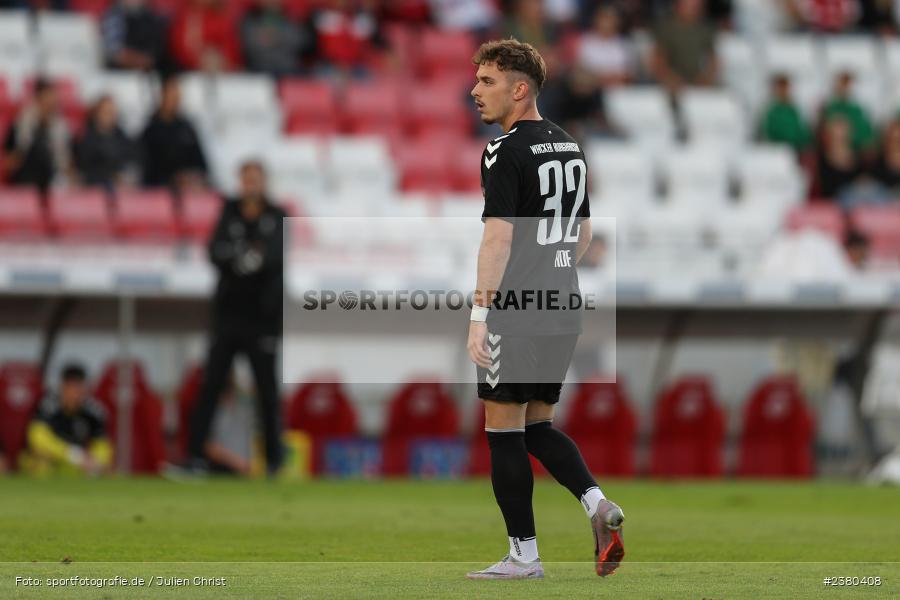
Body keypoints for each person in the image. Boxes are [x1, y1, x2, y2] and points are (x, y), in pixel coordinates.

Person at [465, 38, 625, 580]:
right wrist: (552, 271)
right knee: (538, 426)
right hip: (564, 304)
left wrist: (480, 316)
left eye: (487, 81)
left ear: (519, 88)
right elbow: (581, 234)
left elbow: (497, 241)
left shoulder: (502, 150)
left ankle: (523, 556)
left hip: (517, 309)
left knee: (502, 428)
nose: (475, 91)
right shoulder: (570, 146)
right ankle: (597, 504)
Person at [188, 160, 286, 477]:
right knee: (212, 387)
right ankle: (196, 457)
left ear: (264, 181)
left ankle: (273, 462)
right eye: (246, 179)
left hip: (263, 319)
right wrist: (246, 260)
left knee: (267, 393)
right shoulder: (228, 212)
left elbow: (273, 258)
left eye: (256, 179)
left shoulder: (277, 215)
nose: (251, 185)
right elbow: (215, 252)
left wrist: (239, 260)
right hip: (228, 316)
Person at [23, 364, 112, 477]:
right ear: (62, 387)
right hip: (51, 460)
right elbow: (38, 439)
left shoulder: (94, 411)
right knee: (41, 461)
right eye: (70, 387)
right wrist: (72, 455)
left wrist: (96, 461)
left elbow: (102, 444)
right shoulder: (47, 405)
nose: (75, 393)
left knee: (102, 469)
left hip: (75, 466)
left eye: (78, 387)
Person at [2, 78, 73, 196]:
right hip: (25, 175)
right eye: (46, 99)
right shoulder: (22, 123)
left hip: (52, 176)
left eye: (52, 100)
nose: (50, 104)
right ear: (37, 100)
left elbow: (64, 158)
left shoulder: (61, 126)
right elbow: (11, 153)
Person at [139, 76, 209, 191]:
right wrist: (173, 178)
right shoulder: (151, 130)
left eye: (177, 96)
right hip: (159, 192)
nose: (175, 100)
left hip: (188, 190)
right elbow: (147, 168)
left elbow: (201, 165)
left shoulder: (187, 129)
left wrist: (191, 176)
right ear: (162, 96)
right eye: (172, 95)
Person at [650, 0, 719, 94]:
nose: (693, 6)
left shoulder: (706, 29)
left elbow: (713, 60)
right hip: (669, 86)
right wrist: (670, 79)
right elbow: (658, 60)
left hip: (698, 84)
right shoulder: (666, 28)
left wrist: (705, 80)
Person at [75, 95, 139, 190]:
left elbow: (131, 160)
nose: (109, 116)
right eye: (105, 112)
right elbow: (83, 169)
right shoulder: (85, 137)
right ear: (97, 113)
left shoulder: (121, 137)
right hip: (93, 190)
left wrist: (123, 175)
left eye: (111, 112)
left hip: (120, 189)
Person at [169, 0, 241, 72]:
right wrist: (198, 59)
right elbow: (179, 47)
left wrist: (221, 60)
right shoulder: (186, 16)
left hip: (222, 71)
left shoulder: (224, 17)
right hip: (190, 70)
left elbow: (232, 50)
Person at [241, 0, 307, 77]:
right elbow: (250, 46)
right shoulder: (250, 19)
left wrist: (276, 36)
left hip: (289, 70)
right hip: (259, 70)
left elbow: (299, 42)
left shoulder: (291, 18)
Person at [101, 0, 170, 73]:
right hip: (120, 75)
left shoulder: (152, 16)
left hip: (149, 73)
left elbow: (158, 50)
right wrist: (139, 60)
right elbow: (115, 53)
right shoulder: (114, 15)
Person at [821, 71, 876, 154]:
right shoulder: (830, 109)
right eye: (842, 83)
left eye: (847, 84)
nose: (845, 87)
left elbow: (866, 133)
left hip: (858, 152)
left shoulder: (857, 109)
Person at [760, 74, 812, 155]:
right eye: (780, 88)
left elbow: (802, 131)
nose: (783, 91)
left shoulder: (794, 109)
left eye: (785, 88)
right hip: (778, 151)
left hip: (796, 149)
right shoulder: (772, 111)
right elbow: (769, 132)